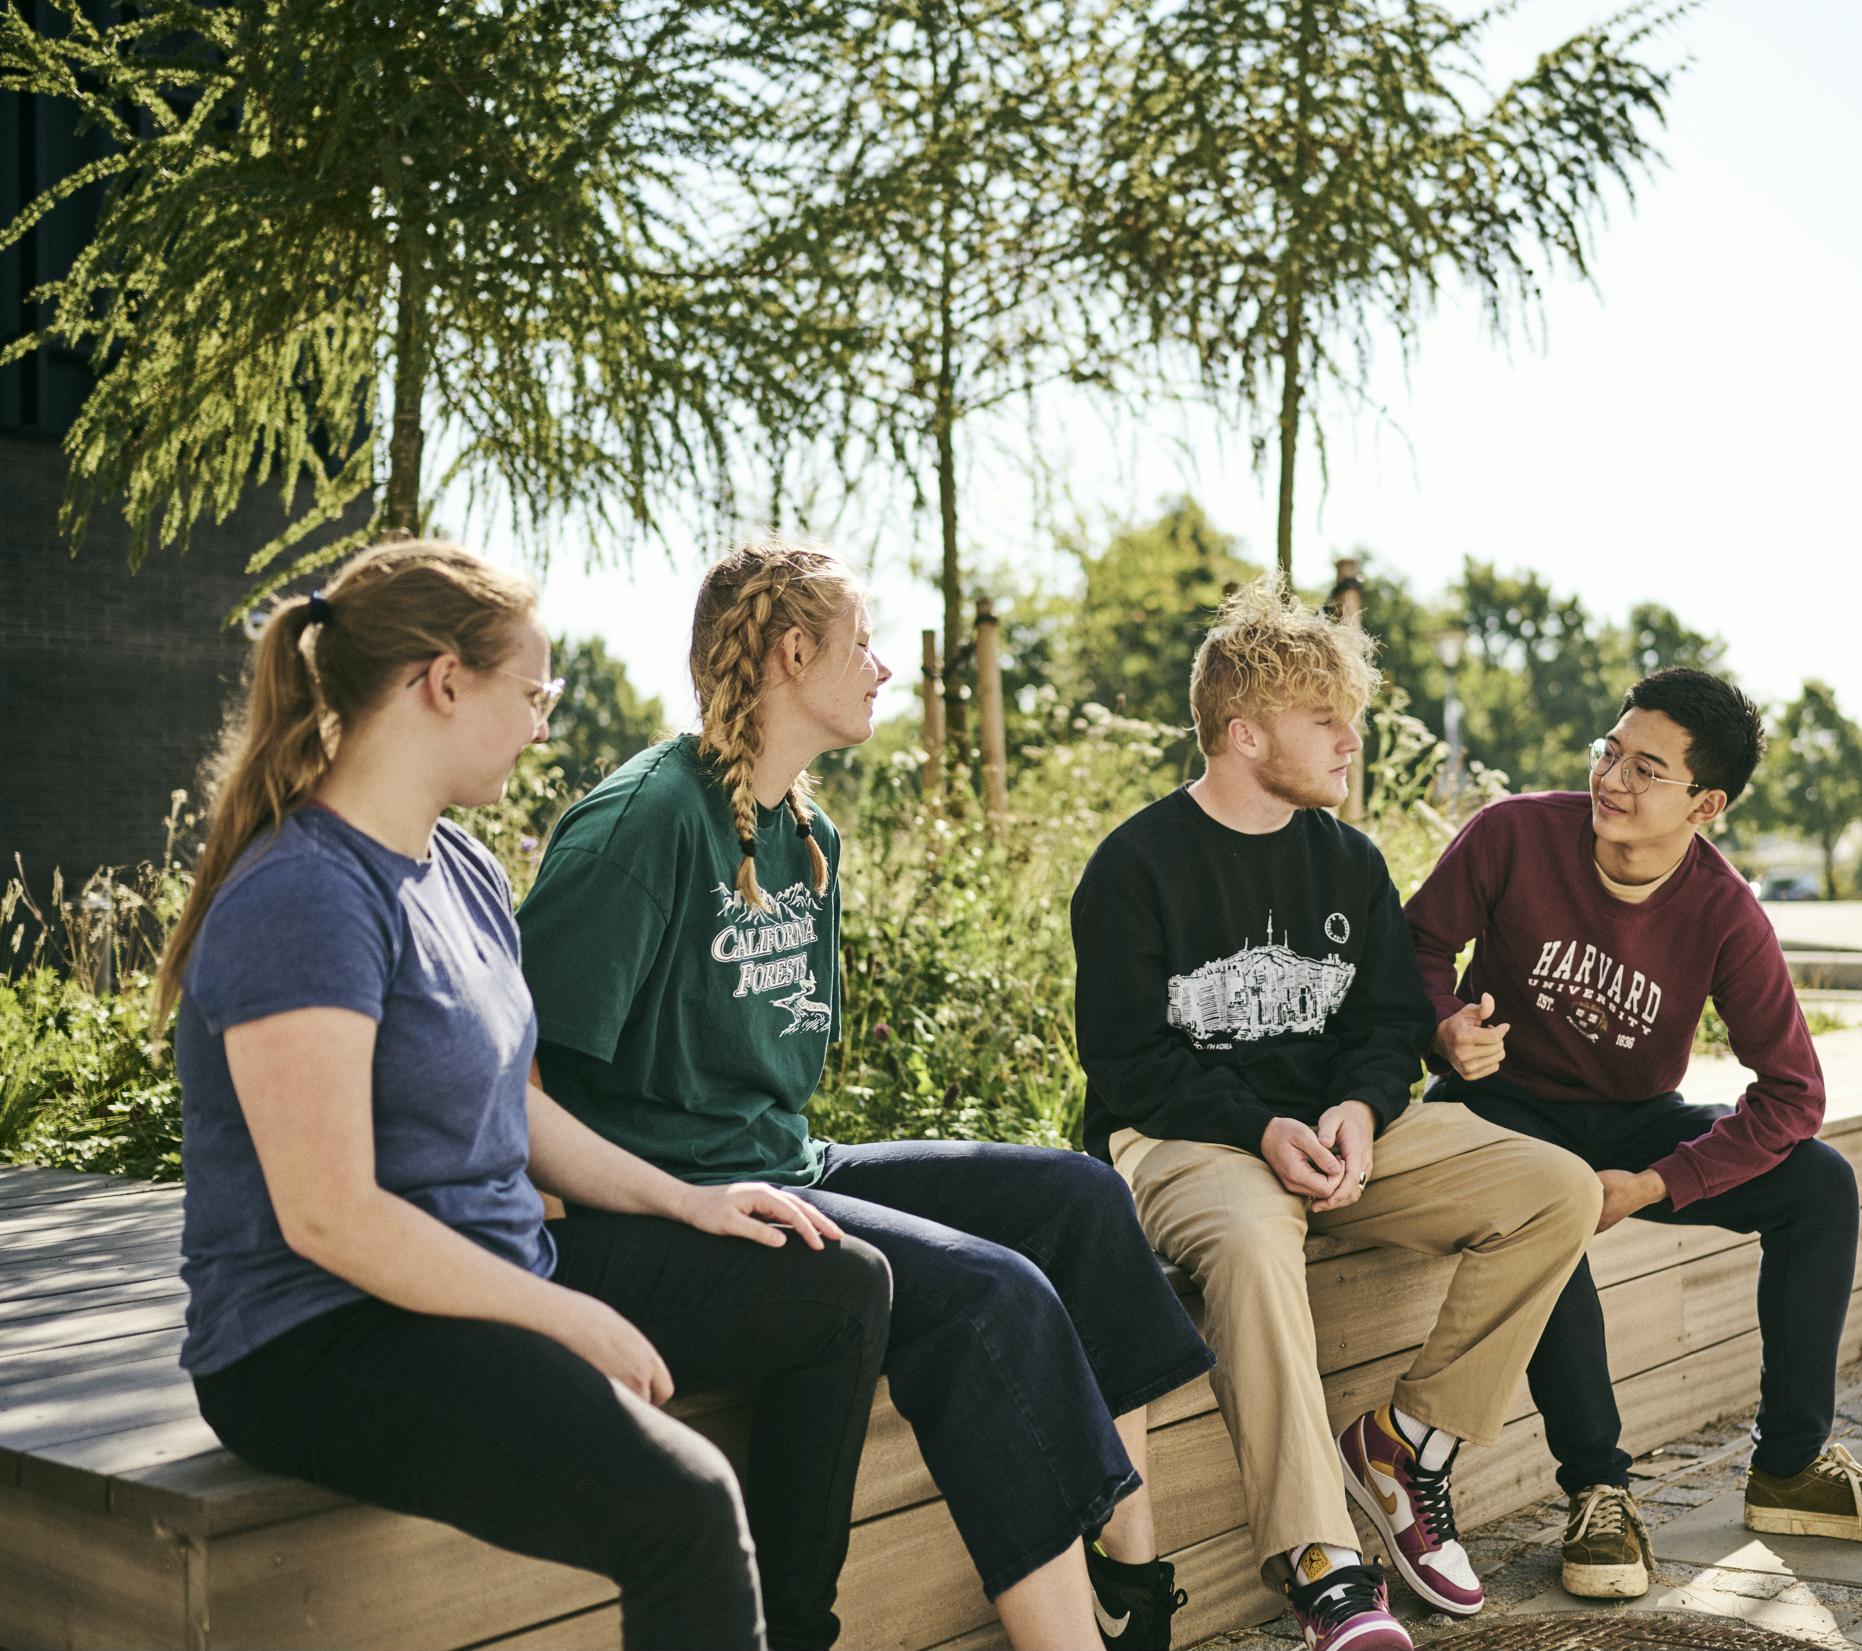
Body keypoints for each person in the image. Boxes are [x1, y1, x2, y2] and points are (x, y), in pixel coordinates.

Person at [161, 540, 891, 1651]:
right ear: (442, 683)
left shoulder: (452, 865)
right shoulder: (304, 895)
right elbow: (328, 1214)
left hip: (487, 1276)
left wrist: (685, 1201)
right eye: (533, 692)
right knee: (685, 1507)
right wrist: (564, 1314)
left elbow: (518, 1101)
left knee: (834, 1287)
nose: (544, 724)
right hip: (319, 1338)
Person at [515, 534, 1214, 1651]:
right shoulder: (645, 821)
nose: (886, 669)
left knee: (1080, 1196)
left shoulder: (809, 837)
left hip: (785, 1161)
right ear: (795, 651)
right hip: (676, 1195)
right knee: (989, 1293)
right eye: (865, 644)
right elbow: (520, 1051)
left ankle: (1130, 1588)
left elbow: (777, 1074)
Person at [1072, 579, 1604, 1651]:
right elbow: (1127, 1061)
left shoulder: (1349, 862)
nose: (1351, 740)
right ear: (1241, 731)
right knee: (1250, 1247)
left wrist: (1362, 1108)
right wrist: (1263, 1131)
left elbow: (1383, 1025)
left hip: (1341, 1136)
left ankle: (1409, 1442)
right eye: (1325, 719)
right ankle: (1323, 1566)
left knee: (1557, 1187)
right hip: (1187, 1140)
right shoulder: (1134, 866)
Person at [1404, 667, 1862, 1601]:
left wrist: (1659, 1181)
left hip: (1628, 1124)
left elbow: (1792, 1092)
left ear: (1707, 805)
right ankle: (1600, 1491)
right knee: (1547, 1195)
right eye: (1609, 751)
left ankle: (1790, 1466)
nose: (1612, 781)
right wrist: (1446, 1023)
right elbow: (1417, 943)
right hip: (1499, 1107)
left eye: (1646, 770)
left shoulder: (1724, 912)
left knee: (1819, 1183)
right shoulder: (1514, 835)